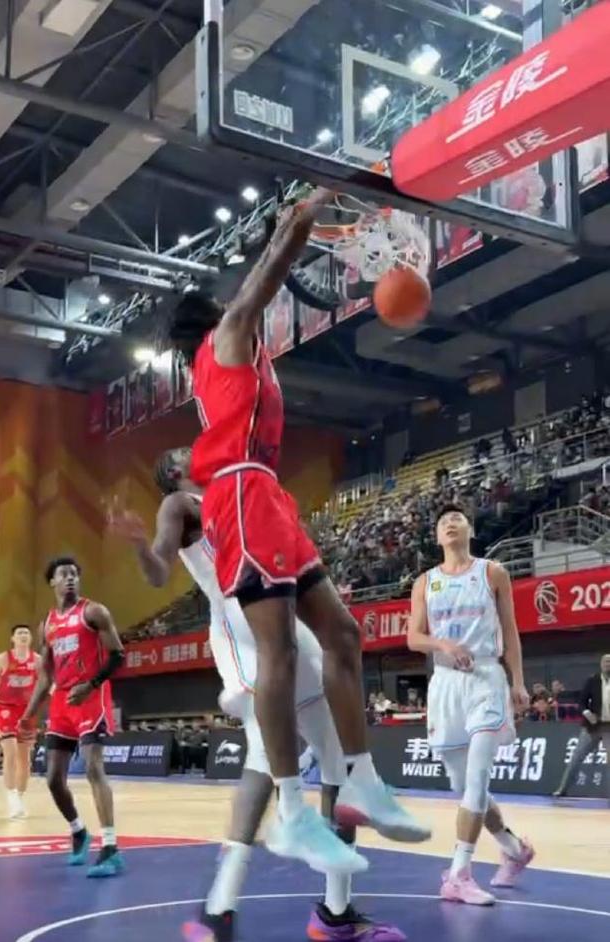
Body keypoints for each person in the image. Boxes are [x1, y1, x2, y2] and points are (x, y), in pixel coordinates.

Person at [165, 187, 429, 873]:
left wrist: (292, 233)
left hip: (268, 495)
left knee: (343, 634)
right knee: (278, 652)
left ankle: (361, 781)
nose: (234, 304)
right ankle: (289, 811)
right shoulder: (227, 337)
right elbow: (263, 282)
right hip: (239, 494)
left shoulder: (242, 355)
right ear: (210, 318)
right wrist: (298, 223)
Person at [108, 449, 405, 942]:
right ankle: (218, 908)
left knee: (336, 757)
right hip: (242, 633)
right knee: (266, 755)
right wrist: (140, 544)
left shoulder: (238, 495)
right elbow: (159, 571)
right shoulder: (179, 504)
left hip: (286, 627)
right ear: (174, 474)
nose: (198, 449)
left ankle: (336, 912)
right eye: (184, 452)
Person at [408, 504, 533, 906]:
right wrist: (442, 644)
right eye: (443, 520)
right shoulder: (425, 582)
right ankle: (514, 848)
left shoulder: (493, 572)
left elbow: (510, 631)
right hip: (445, 684)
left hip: (485, 678)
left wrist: (518, 681)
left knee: (477, 781)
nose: (450, 523)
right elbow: (413, 637)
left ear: (470, 530)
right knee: (466, 788)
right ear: (436, 535)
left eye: (457, 519)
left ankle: (459, 874)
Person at [19, 557, 125, 877]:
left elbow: (118, 655)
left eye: (75, 574)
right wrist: (28, 715)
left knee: (93, 767)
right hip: (62, 702)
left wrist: (91, 684)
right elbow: (45, 676)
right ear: (51, 582)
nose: (70, 579)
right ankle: (78, 831)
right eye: (64, 574)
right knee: (53, 778)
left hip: (91, 696)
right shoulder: (47, 624)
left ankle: (110, 848)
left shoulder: (94, 612)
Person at [0, 624, 40, 819]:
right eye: (19, 633)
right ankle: (11, 798)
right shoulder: (2, 659)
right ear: (13, 639)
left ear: (31, 638)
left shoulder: (37, 661)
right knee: (10, 752)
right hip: (5, 709)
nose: (23, 635)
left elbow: (47, 685)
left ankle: (19, 797)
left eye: (26, 633)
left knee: (25, 759)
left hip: (27, 712)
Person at [553, 653, 610, 799]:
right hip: (592, 726)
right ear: (601, 664)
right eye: (605, 661)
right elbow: (581, 702)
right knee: (577, 757)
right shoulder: (592, 680)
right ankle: (562, 789)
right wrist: (586, 713)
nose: (608, 664)